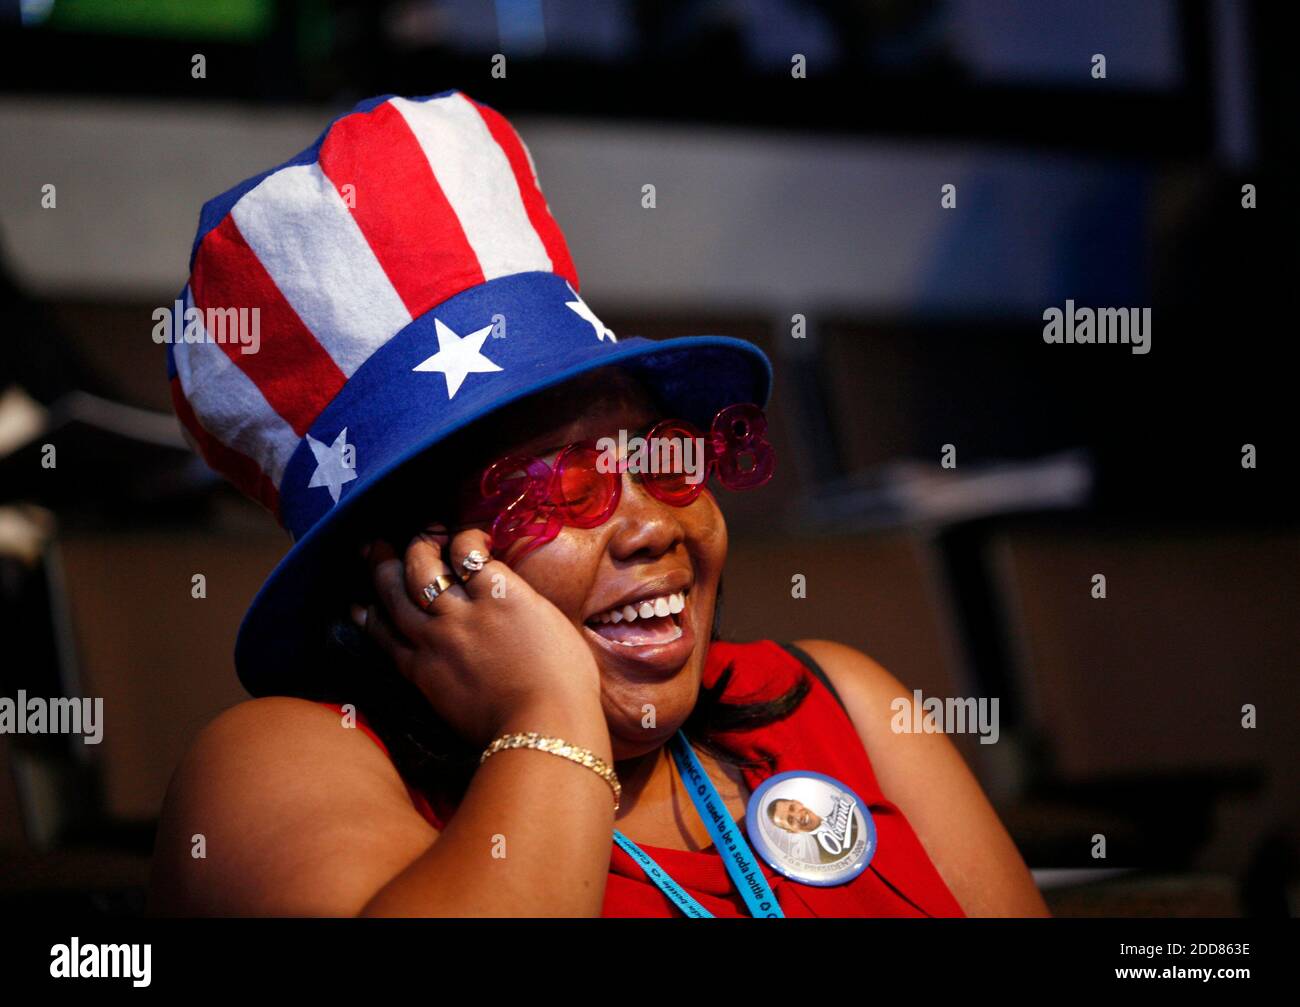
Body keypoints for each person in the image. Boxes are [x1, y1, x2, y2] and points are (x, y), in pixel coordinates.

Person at [146, 90, 1048, 918]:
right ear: (403, 566)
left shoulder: (834, 701)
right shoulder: (274, 766)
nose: (656, 523)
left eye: (662, 456)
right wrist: (546, 714)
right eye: (557, 482)